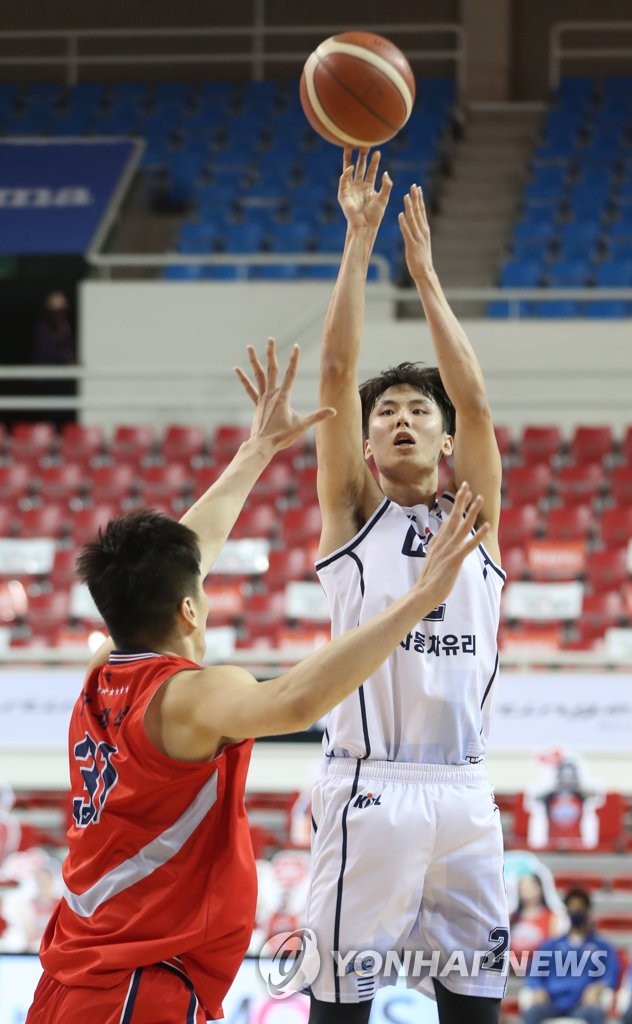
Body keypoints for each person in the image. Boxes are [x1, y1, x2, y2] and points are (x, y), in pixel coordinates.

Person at [25, 339, 489, 1024]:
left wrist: (257, 449)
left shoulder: (102, 671)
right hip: (137, 984)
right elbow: (300, 699)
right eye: (201, 590)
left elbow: (178, 560)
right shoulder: (192, 695)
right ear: (189, 608)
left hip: (76, 974)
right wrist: (418, 599)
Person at [309, 148, 507, 1024]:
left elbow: (480, 404)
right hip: (371, 786)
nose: (399, 417)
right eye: (385, 410)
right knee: (342, 1006)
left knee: (474, 1005)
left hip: (467, 790)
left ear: (444, 438)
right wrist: (360, 244)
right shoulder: (354, 512)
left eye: (417, 410)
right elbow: (332, 380)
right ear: (366, 441)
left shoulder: (477, 515)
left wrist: (425, 273)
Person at [518, 888, 619, 1024]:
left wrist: (598, 987)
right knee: (533, 1013)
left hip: (582, 1004)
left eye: (580, 907)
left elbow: (610, 976)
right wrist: (538, 988)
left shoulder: (602, 946)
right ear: (566, 911)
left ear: (588, 911)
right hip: (552, 1002)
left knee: (595, 1014)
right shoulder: (550, 945)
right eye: (572, 907)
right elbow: (534, 975)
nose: (576, 911)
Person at [509, 872, 567, 961]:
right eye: (522, 886)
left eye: (530, 886)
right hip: (512, 969)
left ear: (540, 889)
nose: (525, 889)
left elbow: (556, 948)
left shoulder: (553, 918)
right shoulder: (510, 917)